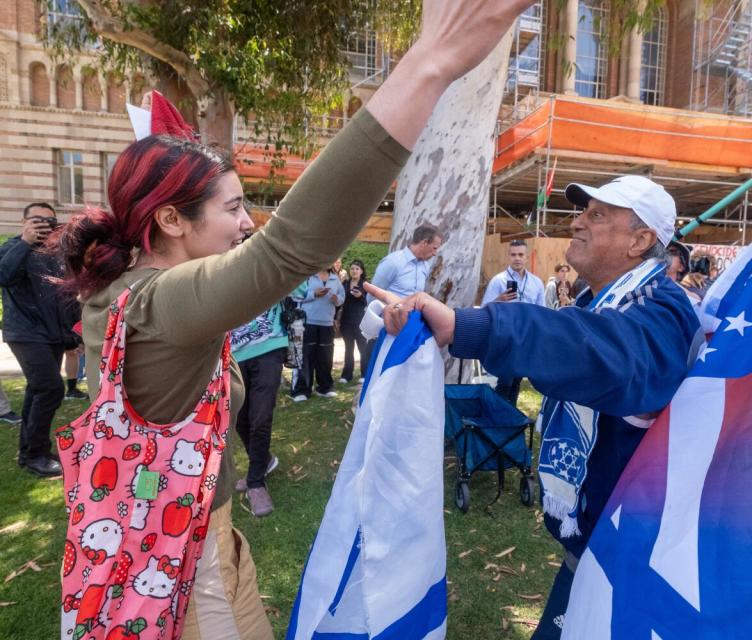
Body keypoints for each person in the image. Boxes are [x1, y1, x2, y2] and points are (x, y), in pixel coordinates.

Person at [49, 1, 535, 636]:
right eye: (232, 207)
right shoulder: (157, 301)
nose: (246, 222)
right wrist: (429, 64)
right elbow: (289, 248)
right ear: (170, 219)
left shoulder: (134, 291)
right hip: (179, 576)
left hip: (175, 549)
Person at [367, 175, 700, 639]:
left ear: (641, 240)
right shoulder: (597, 301)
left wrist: (473, 328)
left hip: (629, 564)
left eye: (597, 214)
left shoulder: (662, 310)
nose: (577, 222)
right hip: (591, 553)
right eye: (582, 211)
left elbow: (596, 354)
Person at [0, 202, 73, 477]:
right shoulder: (12, 247)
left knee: (36, 391)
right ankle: (37, 454)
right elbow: (3, 276)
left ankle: (30, 452)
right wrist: (25, 242)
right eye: (37, 220)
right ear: (24, 222)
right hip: (25, 332)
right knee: (51, 388)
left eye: (50, 221)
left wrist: (70, 333)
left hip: (51, 334)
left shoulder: (55, 254)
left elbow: (63, 295)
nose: (44, 225)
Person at [231, 299, 287, 517]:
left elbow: (300, 287)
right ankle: (264, 461)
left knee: (260, 417)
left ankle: (256, 483)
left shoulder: (268, 263)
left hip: (269, 344)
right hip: (233, 352)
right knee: (240, 418)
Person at [481, 239, 547, 405]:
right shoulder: (499, 281)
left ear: (527, 257)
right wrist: (499, 299)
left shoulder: (536, 283)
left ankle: (510, 418)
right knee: (505, 381)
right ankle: (498, 417)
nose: (517, 258)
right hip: (506, 337)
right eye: (513, 255)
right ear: (508, 257)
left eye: (520, 255)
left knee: (516, 380)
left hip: (526, 338)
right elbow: (484, 309)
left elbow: (542, 311)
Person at [291, 266, 344, 401]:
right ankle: (302, 390)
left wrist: (336, 298)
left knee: (325, 357)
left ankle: (324, 388)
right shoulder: (308, 275)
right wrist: (314, 294)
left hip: (327, 323)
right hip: (308, 322)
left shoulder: (335, 278)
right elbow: (296, 296)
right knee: (306, 357)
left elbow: (342, 297)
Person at [369, 224, 442, 299]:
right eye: (434, 248)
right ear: (424, 243)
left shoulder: (425, 266)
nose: (435, 253)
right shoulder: (392, 262)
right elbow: (372, 295)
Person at [339, 259, 371, 384]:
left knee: (362, 348)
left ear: (361, 271)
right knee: (348, 348)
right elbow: (341, 301)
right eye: (352, 268)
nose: (354, 271)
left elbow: (370, 302)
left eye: (357, 268)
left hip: (360, 321)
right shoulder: (345, 283)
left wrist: (361, 297)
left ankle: (364, 373)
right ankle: (347, 375)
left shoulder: (366, 284)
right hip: (346, 320)